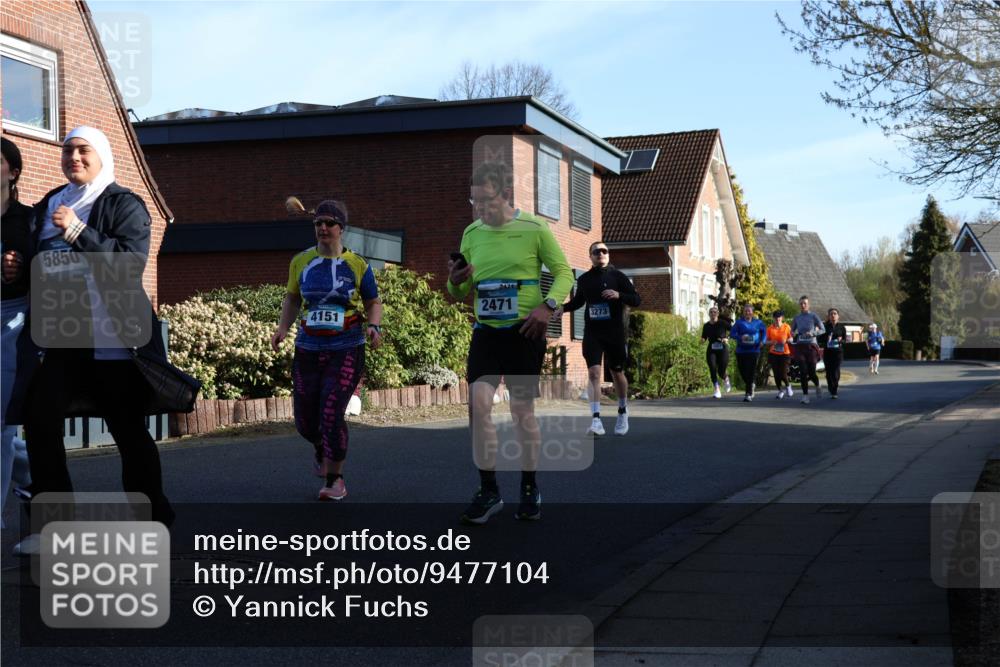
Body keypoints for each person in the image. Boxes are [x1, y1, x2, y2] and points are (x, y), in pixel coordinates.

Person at [21, 126, 176, 528]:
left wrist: (77, 230)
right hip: (60, 337)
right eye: (68, 150)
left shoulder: (124, 204)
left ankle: (151, 517)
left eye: (83, 150)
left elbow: (129, 265)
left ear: (102, 156)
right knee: (40, 419)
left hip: (113, 338)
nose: (73, 157)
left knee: (126, 427)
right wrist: (16, 270)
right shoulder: (48, 204)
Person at [447, 161, 573, 524]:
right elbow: (459, 290)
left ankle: (530, 486)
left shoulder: (534, 228)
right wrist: (456, 279)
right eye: (473, 202)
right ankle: (489, 490)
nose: (479, 209)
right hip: (486, 331)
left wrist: (547, 306)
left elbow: (564, 273)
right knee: (478, 405)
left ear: (504, 194)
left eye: (485, 201)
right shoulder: (471, 232)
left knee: (521, 414)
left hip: (524, 332)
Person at [271, 200, 382, 501]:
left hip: (346, 346)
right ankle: (322, 447)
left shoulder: (358, 264)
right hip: (307, 346)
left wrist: (374, 326)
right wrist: (283, 328)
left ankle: (336, 479)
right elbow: (292, 298)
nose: (322, 228)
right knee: (306, 422)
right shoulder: (301, 261)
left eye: (329, 223)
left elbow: (372, 301)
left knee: (331, 413)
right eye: (318, 223)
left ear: (341, 229)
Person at [556, 241, 640, 436]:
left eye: (604, 251)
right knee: (594, 373)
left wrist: (619, 294)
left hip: (615, 332)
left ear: (608, 255)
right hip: (593, 332)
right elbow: (578, 302)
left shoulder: (617, 276)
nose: (601, 253)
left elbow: (636, 299)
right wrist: (563, 309)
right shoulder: (584, 279)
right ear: (591, 256)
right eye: (597, 251)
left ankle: (622, 410)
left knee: (617, 372)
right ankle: (596, 420)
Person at [1, 137, 32, 527]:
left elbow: (45, 266)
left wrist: (21, 265)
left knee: (2, 421)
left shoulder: (29, 220)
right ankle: (33, 479)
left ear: (13, 172)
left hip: (13, 317)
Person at [791, 295, 825, 405]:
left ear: (808, 305)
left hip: (811, 346)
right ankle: (805, 396)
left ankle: (817, 385)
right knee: (803, 372)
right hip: (800, 346)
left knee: (811, 372)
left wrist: (813, 333)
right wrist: (792, 335)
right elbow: (792, 331)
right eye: (801, 303)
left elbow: (822, 329)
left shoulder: (813, 316)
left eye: (805, 303)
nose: (803, 305)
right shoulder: (797, 318)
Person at [729, 304, 767, 402]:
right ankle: (751, 384)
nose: (747, 312)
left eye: (749, 311)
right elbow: (732, 334)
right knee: (743, 371)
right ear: (743, 312)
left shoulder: (758, 322)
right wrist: (740, 337)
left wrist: (763, 341)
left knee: (751, 371)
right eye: (745, 311)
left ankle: (748, 394)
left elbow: (764, 332)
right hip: (741, 350)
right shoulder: (739, 322)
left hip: (754, 350)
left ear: (752, 312)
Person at [700, 306, 732, 399]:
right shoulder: (706, 326)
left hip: (722, 348)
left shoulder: (722, 323)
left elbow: (733, 330)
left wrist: (727, 338)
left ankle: (726, 378)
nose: (713, 314)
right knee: (712, 368)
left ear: (717, 314)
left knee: (721, 370)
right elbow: (704, 337)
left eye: (715, 312)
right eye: (711, 312)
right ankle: (717, 389)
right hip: (712, 349)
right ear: (709, 314)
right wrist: (702, 340)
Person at [820, 308, 848, 398]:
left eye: (835, 314)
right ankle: (830, 387)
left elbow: (845, 340)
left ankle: (834, 389)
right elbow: (819, 340)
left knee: (836, 370)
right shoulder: (824, 327)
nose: (833, 315)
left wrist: (841, 341)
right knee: (829, 372)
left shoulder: (841, 327)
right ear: (829, 316)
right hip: (828, 352)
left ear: (838, 316)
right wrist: (826, 340)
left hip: (838, 352)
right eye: (831, 314)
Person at [766, 310, 793, 399]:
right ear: (773, 318)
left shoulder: (786, 327)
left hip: (785, 353)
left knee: (783, 373)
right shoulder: (770, 328)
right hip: (774, 353)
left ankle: (788, 386)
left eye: (779, 317)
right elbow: (766, 341)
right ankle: (781, 390)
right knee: (776, 374)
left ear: (782, 318)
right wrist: (771, 342)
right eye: (776, 317)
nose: (777, 319)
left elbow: (791, 338)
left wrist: (789, 340)